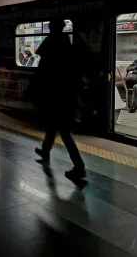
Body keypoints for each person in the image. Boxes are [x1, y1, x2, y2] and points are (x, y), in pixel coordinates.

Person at [34, 18, 86, 181]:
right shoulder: (68, 46)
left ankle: (79, 167)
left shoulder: (52, 46)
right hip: (68, 97)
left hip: (58, 97)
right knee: (54, 126)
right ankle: (45, 150)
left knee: (63, 132)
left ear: (52, 28)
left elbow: (42, 75)